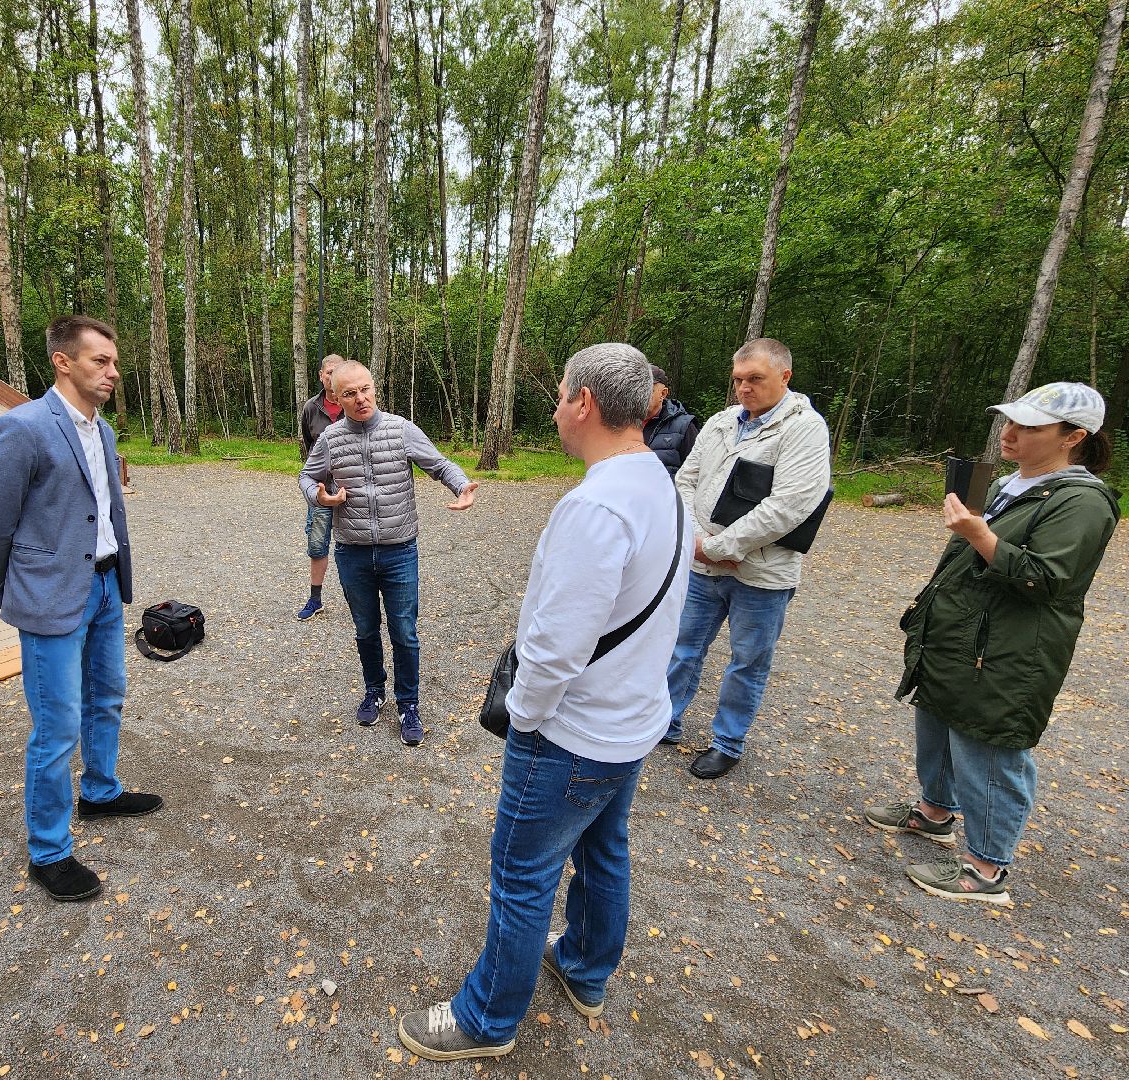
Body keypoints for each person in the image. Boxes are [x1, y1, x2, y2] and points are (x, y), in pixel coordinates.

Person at [397, 343, 690, 1062]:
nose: (556, 407)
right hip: (629, 726)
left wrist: (523, 717)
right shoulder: (659, 481)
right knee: (603, 852)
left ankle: (486, 1020)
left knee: (521, 877)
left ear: (584, 403)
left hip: (573, 736)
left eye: (561, 395)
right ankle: (586, 968)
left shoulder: (595, 506)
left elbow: (556, 648)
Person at [866, 383, 1119, 905]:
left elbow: (1049, 580)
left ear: (1074, 437)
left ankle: (986, 869)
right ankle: (936, 812)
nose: (1011, 433)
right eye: (1011, 421)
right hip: (961, 635)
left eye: (1030, 427)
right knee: (938, 717)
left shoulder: (1083, 501)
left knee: (991, 745)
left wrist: (979, 533)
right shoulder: (1012, 484)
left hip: (1011, 650)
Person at [0, 315, 161, 903]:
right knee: (55, 727)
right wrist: (22, 583)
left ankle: (100, 791)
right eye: (100, 361)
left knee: (108, 696)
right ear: (62, 361)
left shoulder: (100, 428)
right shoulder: (21, 427)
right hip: (50, 595)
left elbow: (103, 509)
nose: (112, 373)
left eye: (115, 362)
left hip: (103, 587)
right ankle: (48, 850)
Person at [664, 337, 831, 779]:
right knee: (682, 647)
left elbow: (790, 505)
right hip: (702, 565)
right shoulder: (721, 423)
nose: (744, 388)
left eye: (755, 379)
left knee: (748, 661)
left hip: (762, 573)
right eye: (738, 379)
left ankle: (728, 741)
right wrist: (697, 540)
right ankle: (664, 721)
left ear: (785, 376)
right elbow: (685, 481)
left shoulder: (805, 429)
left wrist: (721, 547)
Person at [298, 360, 478, 747]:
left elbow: (439, 464)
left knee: (405, 632)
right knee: (365, 629)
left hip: (400, 551)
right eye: (350, 393)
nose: (360, 398)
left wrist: (461, 486)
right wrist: (321, 496)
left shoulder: (401, 429)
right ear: (336, 396)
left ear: (374, 387)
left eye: (365, 389)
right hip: (353, 552)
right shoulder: (330, 439)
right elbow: (307, 477)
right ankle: (374, 691)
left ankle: (408, 703)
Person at [296, 353, 345, 620]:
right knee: (317, 543)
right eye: (328, 372)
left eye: (337, 371)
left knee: (360, 542)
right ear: (321, 375)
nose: (332, 376)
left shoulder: (355, 403)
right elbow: (307, 445)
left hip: (353, 485)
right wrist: (314, 479)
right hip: (321, 487)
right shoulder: (311, 408)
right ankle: (315, 600)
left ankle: (365, 600)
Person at [641, 363, 698, 475]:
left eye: (646, 390)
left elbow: (695, 473)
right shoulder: (621, 423)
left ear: (663, 393)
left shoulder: (685, 427)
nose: (640, 395)